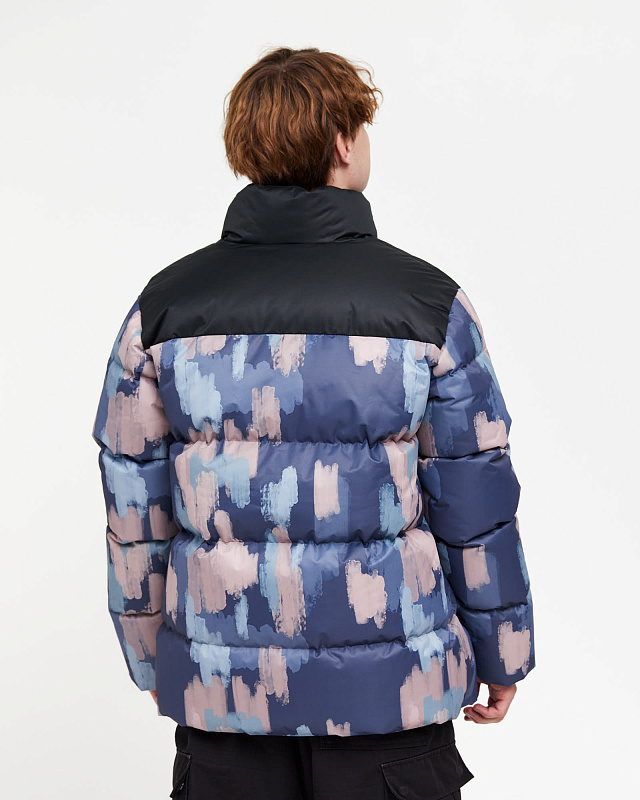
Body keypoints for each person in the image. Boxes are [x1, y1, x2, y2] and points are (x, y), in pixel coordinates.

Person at [91, 46, 535, 800]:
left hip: (225, 708)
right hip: (391, 705)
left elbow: (134, 511)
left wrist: (152, 658)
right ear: (342, 143)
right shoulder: (428, 306)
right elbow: (476, 502)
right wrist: (502, 650)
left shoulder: (162, 310)